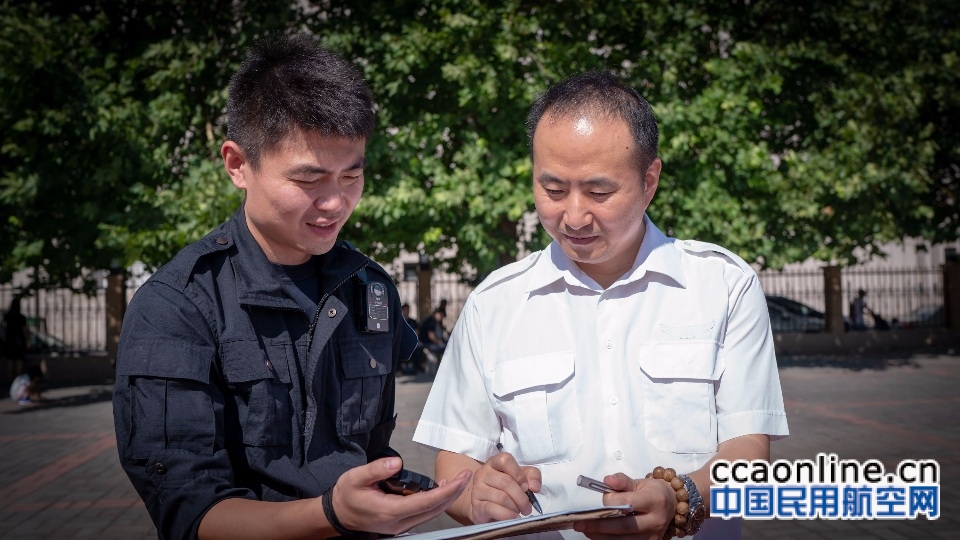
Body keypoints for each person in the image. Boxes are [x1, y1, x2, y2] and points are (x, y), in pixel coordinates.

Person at [112, 34, 470, 540]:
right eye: (308, 180)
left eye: (352, 175)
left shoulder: (369, 288)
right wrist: (330, 514)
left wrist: (452, 488)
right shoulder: (177, 305)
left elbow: (370, 454)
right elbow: (189, 514)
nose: (336, 203)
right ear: (238, 164)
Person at [413, 71, 789, 539]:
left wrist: (682, 498)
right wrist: (477, 497)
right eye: (552, 190)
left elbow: (748, 450)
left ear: (649, 179)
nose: (572, 216)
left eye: (598, 192)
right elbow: (456, 456)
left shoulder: (723, 286)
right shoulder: (495, 304)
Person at [3, 297, 30, 382]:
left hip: (9, 341)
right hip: (19, 341)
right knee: (19, 359)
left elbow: (3, 328)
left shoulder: (7, 316)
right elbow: (25, 330)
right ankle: (17, 380)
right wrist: (27, 341)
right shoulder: (21, 317)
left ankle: (10, 380)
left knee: (10, 360)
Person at [401, 303, 425, 374]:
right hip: (403, 341)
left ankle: (416, 366)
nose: (407, 311)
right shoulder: (400, 322)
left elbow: (417, 332)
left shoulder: (413, 322)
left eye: (408, 310)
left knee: (419, 348)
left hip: (412, 341)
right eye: (405, 310)